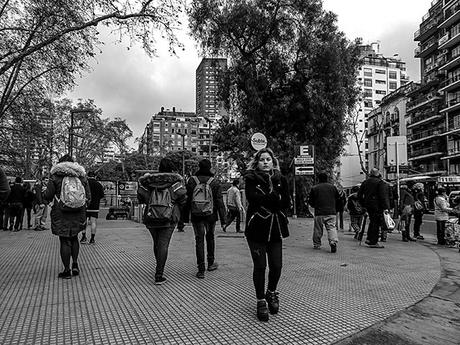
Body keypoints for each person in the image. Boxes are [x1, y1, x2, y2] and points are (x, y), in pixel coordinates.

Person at [244, 148, 290, 322]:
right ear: (257, 162)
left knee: (277, 266)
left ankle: (271, 292)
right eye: (262, 159)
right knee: (260, 266)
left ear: (273, 162)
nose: (265, 162)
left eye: (268, 159)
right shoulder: (250, 179)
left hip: (276, 228)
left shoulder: (281, 179)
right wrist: (274, 199)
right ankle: (260, 300)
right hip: (256, 229)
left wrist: (270, 199)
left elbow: (286, 202)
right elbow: (253, 198)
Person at [137, 158, 187, 285]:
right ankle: (159, 274)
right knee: (163, 244)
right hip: (169, 218)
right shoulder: (175, 182)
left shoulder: (149, 182)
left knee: (157, 243)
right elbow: (183, 198)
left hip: (151, 217)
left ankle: (159, 265)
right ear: (171, 168)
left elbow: (141, 197)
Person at [44, 154, 90, 279]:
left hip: (61, 213)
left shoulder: (55, 176)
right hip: (78, 213)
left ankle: (66, 270)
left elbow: (48, 195)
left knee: (64, 240)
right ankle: (75, 265)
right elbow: (88, 197)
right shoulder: (81, 176)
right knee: (74, 238)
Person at [183, 159, 226, 279]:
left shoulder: (192, 180)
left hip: (196, 215)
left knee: (199, 239)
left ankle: (200, 269)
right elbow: (219, 202)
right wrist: (223, 220)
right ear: (210, 167)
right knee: (210, 236)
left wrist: (184, 218)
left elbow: (186, 200)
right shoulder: (214, 182)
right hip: (211, 215)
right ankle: (211, 263)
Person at [308, 171, 341, 253]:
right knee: (331, 227)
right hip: (331, 212)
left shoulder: (314, 188)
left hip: (319, 212)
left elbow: (311, 201)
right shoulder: (333, 187)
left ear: (318, 179)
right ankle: (333, 242)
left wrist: (315, 205)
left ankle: (317, 244)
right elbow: (338, 199)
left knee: (318, 229)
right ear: (327, 179)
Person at [358, 168, 390, 249]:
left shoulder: (365, 182)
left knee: (372, 222)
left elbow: (359, 195)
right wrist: (386, 207)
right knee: (376, 223)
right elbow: (383, 196)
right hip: (377, 206)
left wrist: (363, 204)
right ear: (378, 174)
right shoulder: (380, 182)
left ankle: (369, 239)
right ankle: (373, 241)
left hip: (368, 206)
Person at [81, 171, 105, 244]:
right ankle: (92, 239)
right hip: (95, 206)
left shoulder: (84, 184)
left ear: (87, 176)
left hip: (85, 205)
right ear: (95, 176)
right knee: (93, 222)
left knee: (84, 222)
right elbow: (102, 195)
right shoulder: (98, 184)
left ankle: (83, 237)